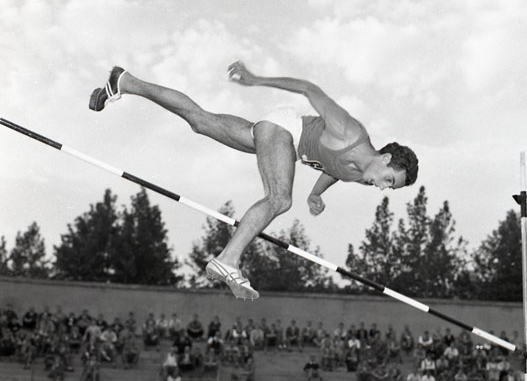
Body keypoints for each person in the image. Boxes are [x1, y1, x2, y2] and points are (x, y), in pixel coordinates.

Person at [89, 61, 419, 300]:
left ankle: (125, 82)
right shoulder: (350, 132)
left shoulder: (362, 175)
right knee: (279, 199)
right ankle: (227, 260)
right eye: (389, 180)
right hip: (284, 129)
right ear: (385, 158)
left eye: (389, 187)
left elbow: (334, 170)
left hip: (279, 141)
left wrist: (316, 194)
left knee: (201, 121)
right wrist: (255, 79)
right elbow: (309, 89)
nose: (382, 188)